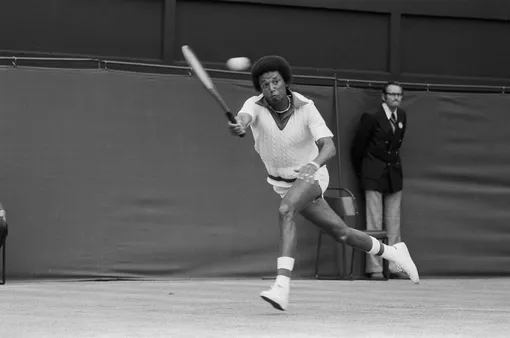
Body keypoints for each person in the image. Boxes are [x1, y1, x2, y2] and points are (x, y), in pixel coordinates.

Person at [228, 56, 418, 311]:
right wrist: (239, 125)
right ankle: (393, 252)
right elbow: (244, 118)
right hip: (283, 183)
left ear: (285, 82)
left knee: (286, 210)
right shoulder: (253, 104)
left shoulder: (307, 108)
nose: (271, 88)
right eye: (265, 84)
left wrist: (314, 164)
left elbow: (328, 146)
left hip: (312, 176)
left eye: (275, 81)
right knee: (342, 233)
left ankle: (282, 286)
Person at [351, 81, 407, 279]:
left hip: (394, 175)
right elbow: (357, 148)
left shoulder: (402, 116)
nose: (395, 98)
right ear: (383, 96)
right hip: (373, 174)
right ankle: (374, 268)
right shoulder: (372, 116)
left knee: (394, 223)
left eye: (399, 95)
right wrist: (364, 171)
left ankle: (395, 266)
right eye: (391, 94)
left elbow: (396, 147)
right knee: (374, 223)